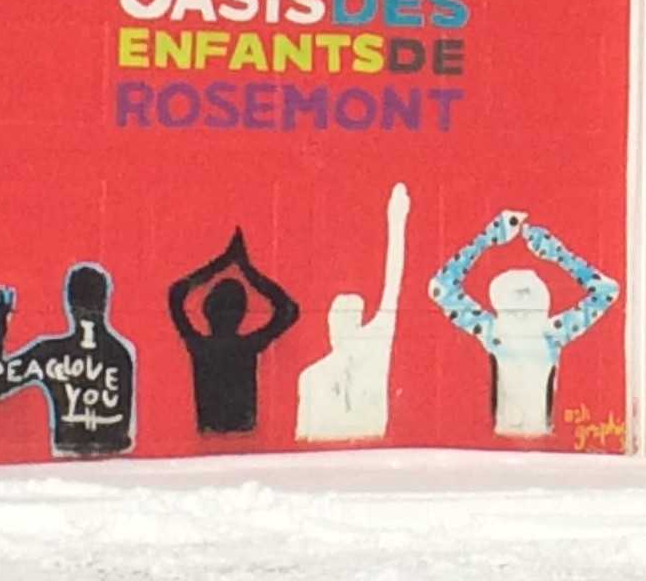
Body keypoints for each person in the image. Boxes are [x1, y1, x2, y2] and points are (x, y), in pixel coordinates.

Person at [429, 209, 619, 438]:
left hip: (523, 436)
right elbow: (606, 292)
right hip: (519, 435)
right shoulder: (543, 333)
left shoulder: (504, 331)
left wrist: (489, 238)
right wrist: (556, 253)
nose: (522, 303)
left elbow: (441, 288)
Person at [0, 262, 137, 457]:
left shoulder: (50, 354)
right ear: (105, 301)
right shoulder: (120, 355)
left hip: (67, 454)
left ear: (69, 303)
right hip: (117, 458)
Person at [295, 182, 410, 444]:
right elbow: (303, 436)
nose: (340, 324)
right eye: (338, 316)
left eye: (349, 315)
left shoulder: (374, 346)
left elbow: (394, 281)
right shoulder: (312, 376)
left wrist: (397, 221)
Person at [166, 229, 302, 436]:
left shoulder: (199, 346)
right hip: (243, 429)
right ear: (242, 315)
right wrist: (247, 268)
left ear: (206, 311)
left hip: (209, 430)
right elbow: (287, 309)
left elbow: (176, 294)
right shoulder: (247, 346)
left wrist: (221, 262)